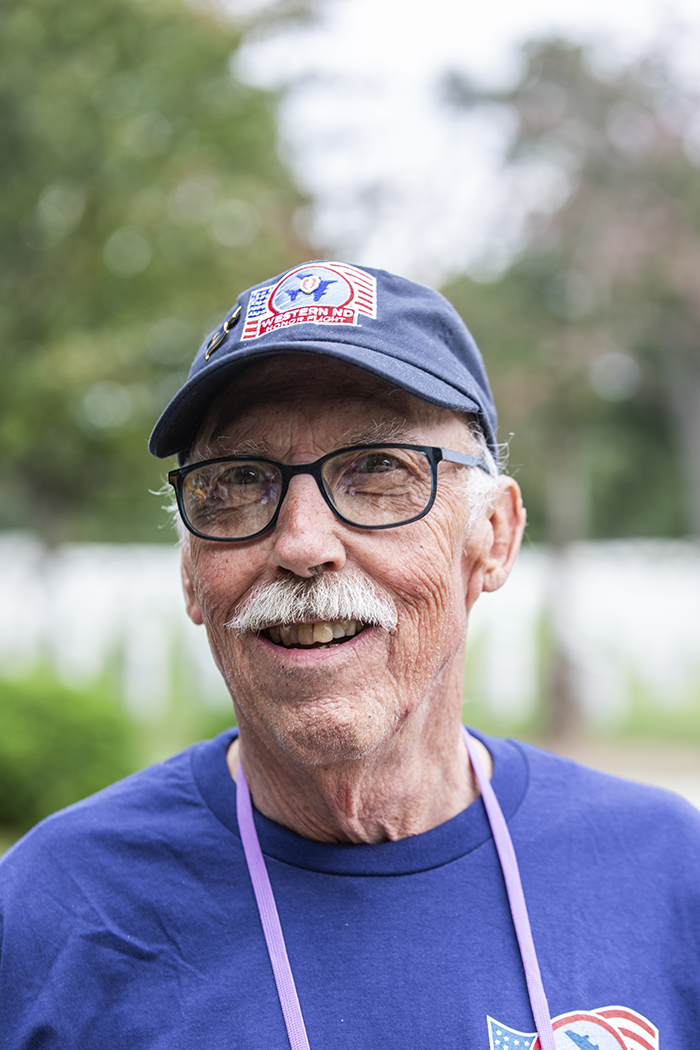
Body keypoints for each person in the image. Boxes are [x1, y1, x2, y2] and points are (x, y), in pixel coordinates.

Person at [1, 260, 699, 1050]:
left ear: (493, 537)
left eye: (377, 470)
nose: (301, 544)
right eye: (237, 481)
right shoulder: (47, 914)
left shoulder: (669, 876)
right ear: (191, 573)